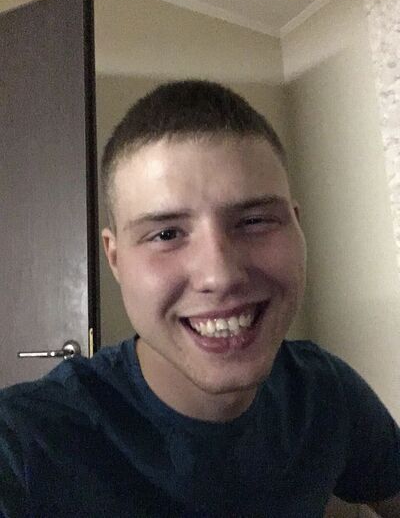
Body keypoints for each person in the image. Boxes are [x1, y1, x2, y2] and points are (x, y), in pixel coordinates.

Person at [0, 80, 399, 518]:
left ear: (296, 226)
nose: (220, 275)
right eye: (166, 234)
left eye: (254, 221)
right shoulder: (24, 445)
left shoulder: (326, 393)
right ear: (115, 258)